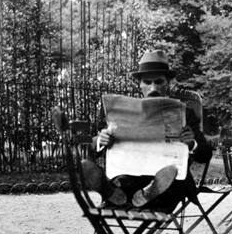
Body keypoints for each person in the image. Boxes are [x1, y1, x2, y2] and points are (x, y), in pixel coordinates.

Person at [82, 50, 213, 213]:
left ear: (168, 83)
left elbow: (206, 154)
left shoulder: (186, 114)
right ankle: (115, 193)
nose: (153, 88)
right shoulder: (125, 113)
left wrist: (192, 143)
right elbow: (92, 151)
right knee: (118, 180)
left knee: (168, 177)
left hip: (167, 186)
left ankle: (146, 193)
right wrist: (101, 141)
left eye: (159, 82)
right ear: (140, 84)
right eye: (148, 82)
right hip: (128, 182)